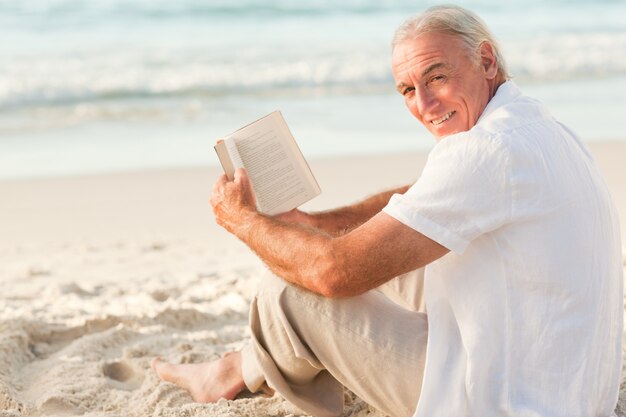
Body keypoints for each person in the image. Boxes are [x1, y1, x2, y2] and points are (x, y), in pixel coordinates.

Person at [152, 5, 623, 417]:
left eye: (437, 76)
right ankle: (236, 367)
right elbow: (424, 193)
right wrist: (318, 224)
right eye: (407, 89)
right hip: (573, 391)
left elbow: (332, 273)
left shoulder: (484, 153)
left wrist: (242, 220)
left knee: (288, 291)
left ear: (485, 60)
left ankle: (233, 374)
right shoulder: (537, 126)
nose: (423, 103)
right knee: (374, 248)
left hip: (503, 402)